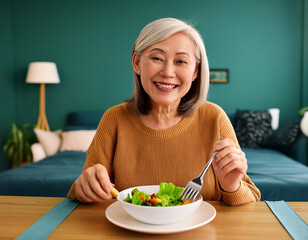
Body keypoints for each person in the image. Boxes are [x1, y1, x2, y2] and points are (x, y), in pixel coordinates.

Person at [67, 18, 261, 205]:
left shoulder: (214, 118)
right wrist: (84, 187)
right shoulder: (114, 118)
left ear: (195, 71)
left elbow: (251, 199)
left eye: (181, 61)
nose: (168, 72)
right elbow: (79, 192)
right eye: (157, 58)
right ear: (137, 63)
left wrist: (231, 186)